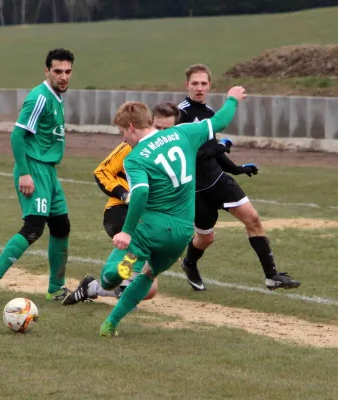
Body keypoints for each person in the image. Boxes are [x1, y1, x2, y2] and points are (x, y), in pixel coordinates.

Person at [97, 86, 247, 337]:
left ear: (132, 127)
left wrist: (127, 232)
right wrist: (232, 98)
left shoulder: (135, 158)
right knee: (148, 275)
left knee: (110, 276)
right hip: (182, 233)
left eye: (123, 133)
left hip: (152, 228)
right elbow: (221, 120)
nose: (123, 139)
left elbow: (142, 193)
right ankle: (110, 324)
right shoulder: (184, 132)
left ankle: (114, 277)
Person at [177, 64, 300, 291]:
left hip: (218, 180)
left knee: (252, 218)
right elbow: (196, 154)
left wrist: (236, 168)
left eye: (204, 83)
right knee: (206, 238)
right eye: (195, 83)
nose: (199, 88)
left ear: (210, 85)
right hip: (195, 189)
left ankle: (271, 276)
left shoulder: (210, 113)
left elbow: (212, 150)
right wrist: (220, 147)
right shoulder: (180, 114)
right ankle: (189, 263)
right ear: (187, 85)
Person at [0, 49, 75, 306]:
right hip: (34, 168)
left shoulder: (56, 97)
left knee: (61, 226)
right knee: (33, 228)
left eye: (67, 71)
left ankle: (55, 288)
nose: (63, 76)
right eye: (58, 71)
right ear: (47, 71)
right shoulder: (39, 97)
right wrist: (25, 174)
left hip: (49, 171)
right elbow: (17, 136)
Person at [62, 102, 179, 306]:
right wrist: (124, 194)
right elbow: (101, 172)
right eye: (159, 128)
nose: (161, 133)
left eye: (167, 130)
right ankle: (113, 279)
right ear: (148, 125)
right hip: (120, 213)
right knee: (138, 272)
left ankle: (92, 288)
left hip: (150, 218)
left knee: (148, 289)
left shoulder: (174, 151)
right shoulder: (131, 147)